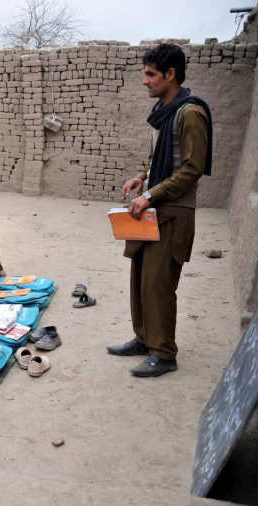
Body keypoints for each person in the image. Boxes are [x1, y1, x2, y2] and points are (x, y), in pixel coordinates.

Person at [107, 43, 212, 377]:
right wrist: (140, 179)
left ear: (170, 74)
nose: (145, 81)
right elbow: (154, 162)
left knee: (159, 284)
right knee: (141, 277)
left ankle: (164, 353)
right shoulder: (165, 111)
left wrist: (151, 195)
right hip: (153, 210)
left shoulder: (190, 113)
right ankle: (144, 340)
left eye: (150, 74)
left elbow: (191, 170)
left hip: (173, 213)